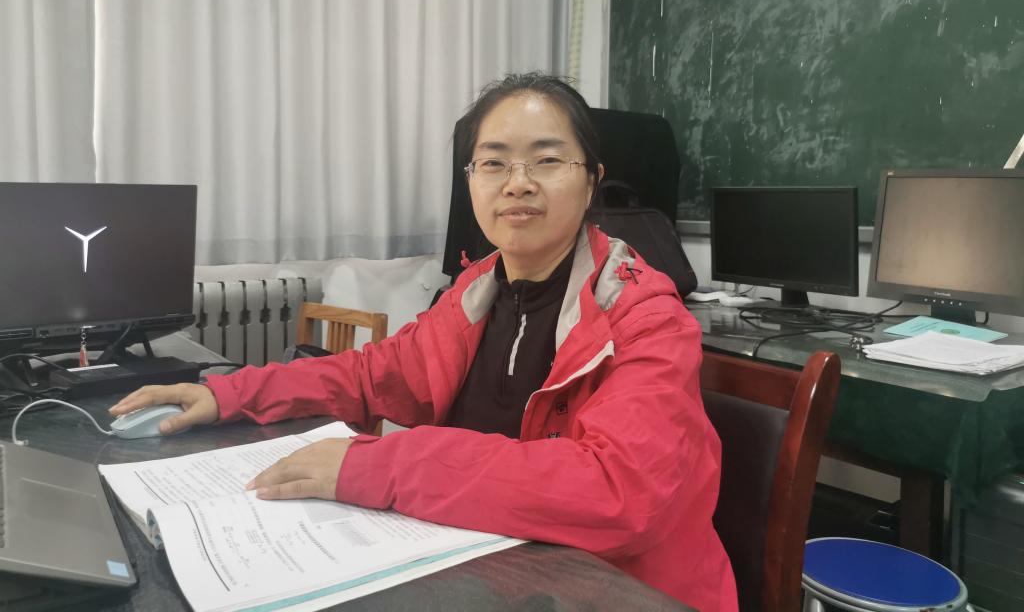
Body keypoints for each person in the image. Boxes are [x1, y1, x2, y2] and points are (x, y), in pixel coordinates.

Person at [110, 73, 738, 612]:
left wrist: (379, 464)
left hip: (623, 591)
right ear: (471, 180)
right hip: (500, 573)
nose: (517, 183)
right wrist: (228, 394)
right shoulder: (474, 293)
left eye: (547, 160)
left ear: (592, 180)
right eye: (494, 162)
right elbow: (370, 374)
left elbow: (616, 492)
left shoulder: (646, 319)